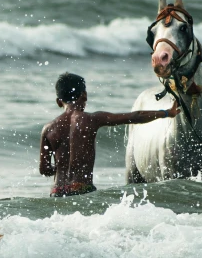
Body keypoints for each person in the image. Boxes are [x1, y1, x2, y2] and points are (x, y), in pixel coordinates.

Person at [39, 72, 179, 197]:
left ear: (59, 102)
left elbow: (44, 169)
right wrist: (167, 113)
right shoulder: (91, 119)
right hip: (82, 189)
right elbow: (135, 116)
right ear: (84, 95)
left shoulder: (48, 129)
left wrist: (63, 168)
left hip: (57, 192)